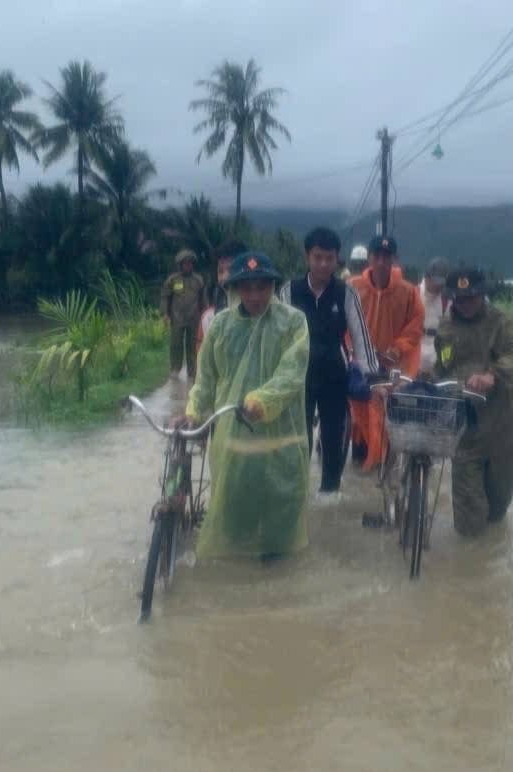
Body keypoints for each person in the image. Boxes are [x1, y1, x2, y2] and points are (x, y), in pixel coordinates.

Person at [181, 251, 310, 560]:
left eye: (262, 287)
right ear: (234, 290)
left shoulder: (293, 322)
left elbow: (291, 373)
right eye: (247, 288)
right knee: (235, 532)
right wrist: (193, 412)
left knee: (279, 534)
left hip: (282, 442)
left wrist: (260, 401)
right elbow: (206, 378)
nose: (254, 295)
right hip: (234, 442)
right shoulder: (221, 326)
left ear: (273, 286)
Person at [279, 227, 380, 495]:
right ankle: (296, 494)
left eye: (329, 258)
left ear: (337, 259)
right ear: (307, 257)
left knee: (334, 438)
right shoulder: (290, 291)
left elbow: (361, 338)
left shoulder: (346, 294)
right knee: (298, 437)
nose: (323, 264)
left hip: (335, 373)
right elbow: (277, 337)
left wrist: (373, 377)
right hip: (297, 376)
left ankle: (330, 495)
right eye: (318, 257)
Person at [434, 267, 513, 536]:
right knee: (469, 522)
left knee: (496, 513)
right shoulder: (446, 327)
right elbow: (443, 366)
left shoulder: (505, 324)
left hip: (505, 433)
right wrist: (426, 378)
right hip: (467, 434)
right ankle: (467, 571)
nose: (464, 304)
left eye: (471, 297)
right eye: (459, 298)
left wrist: (493, 375)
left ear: (482, 294)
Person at [349, 235, 425, 471]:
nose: (381, 262)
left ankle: (385, 469)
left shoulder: (408, 291)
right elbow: (343, 326)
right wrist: (357, 351)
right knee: (359, 420)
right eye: (377, 256)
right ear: (370, 258)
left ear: (394, 259)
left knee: (390, 423)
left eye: (387, 257)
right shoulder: (352, 288)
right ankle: (363, 470)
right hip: (362, 368)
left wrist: (397, 348)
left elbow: (416, 325)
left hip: (395, 368)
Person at [161, 249, 208, 380]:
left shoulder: (198, 280)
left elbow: (203, 299)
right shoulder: (173, 280)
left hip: (194, 318)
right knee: (176, 344)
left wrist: (206, 314)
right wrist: (165, 314)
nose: (188, 266)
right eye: (185, 263)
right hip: (177, 318)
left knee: (192, 345)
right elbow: (165, 297)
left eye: (190, 263)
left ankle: (192, 371)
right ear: (180, 265)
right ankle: (175, 369)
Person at [199, 239, 245, 345]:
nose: (224, 277)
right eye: (220, 271)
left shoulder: (264, 312)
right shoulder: (210, 318)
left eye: (230, 270)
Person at [419, 256, 451, 375]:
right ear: (427, 278)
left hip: (436, 359)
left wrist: (445, 363)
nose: (439, 286)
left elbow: (448, 339)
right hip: (415, 356)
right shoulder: (414, 294)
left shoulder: (447, 300)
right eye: (436, 282)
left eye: (442, 283)